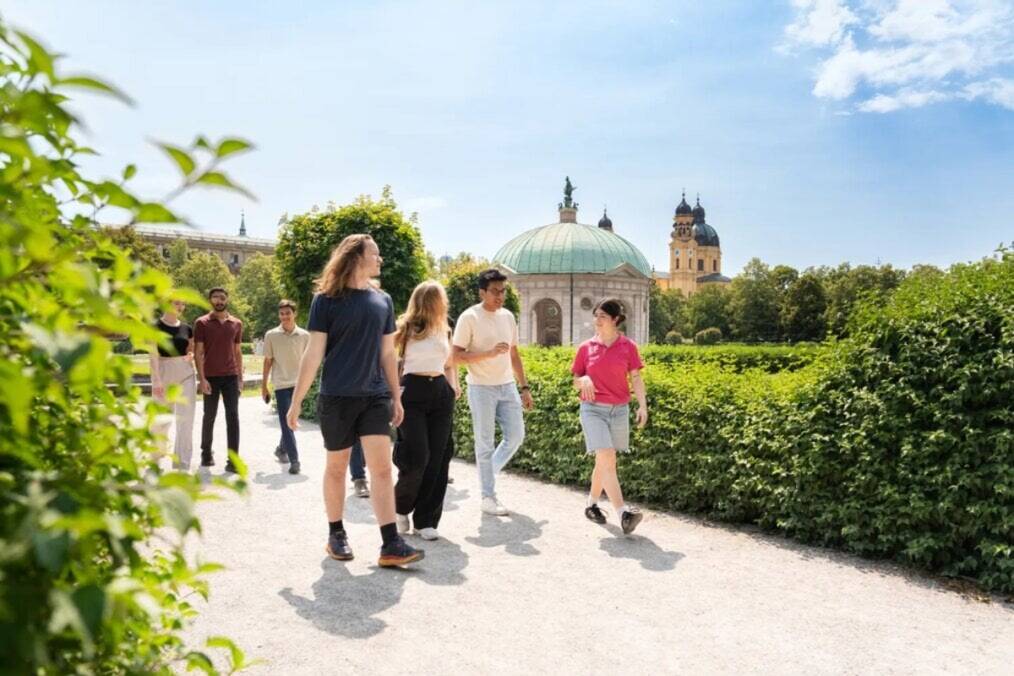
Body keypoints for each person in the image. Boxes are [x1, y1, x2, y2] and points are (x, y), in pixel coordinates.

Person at [287, 234, 423, 567]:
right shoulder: (327, 300)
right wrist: (295, 402)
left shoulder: (384, 300)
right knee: (336, 468)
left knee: (380, 467)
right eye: (375, 254)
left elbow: (388, 353)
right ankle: (336, 533)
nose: (380, 260)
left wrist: (396, 395)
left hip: (374, 396)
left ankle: (390, 542)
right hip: (337, 397)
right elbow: (313, 352)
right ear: (356, 257)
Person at [452, 269, 532, 516]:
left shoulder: (508, 317)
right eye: (495, 291)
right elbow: (455, 356)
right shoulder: (469, 317)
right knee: (484, 444)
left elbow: (514, 354)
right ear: (482, 292)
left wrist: (524, 387)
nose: (500, 296)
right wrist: (488, 354)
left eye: (503, 291)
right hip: (481, 387)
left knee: (516, 436)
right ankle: (488, 497)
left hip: (507, 386)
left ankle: (488, 473)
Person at [571, 299, 648, 535]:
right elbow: (575, 381)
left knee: (605, 463)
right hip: (593, 409)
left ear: (615, 320)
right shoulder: (586, 348)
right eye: (596, 315)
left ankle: (592, 505)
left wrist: (642, 406)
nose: (597, 320)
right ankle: (623, 513)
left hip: (620, 410)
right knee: (605, 456)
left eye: (602, 316)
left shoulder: (628, 347)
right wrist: (582, 380)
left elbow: (635, 378)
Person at [392, 280, 460, 540]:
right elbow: (386, 356)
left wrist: (453, 386)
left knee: (438, 458)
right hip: (413, 391)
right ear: (427, 301)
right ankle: (400, 507)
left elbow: (450, 363)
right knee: (418, 455)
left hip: (440, 392)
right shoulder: (406, 328)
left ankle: (425, 520)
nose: (443, 303)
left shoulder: (445, 329)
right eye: (439, 298)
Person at [195, 287, 244, 473]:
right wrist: (202, 378)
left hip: (231, 377)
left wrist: (240, 377)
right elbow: (198, 353)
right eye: (215, 297)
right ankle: (206, 453)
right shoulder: (202, 323)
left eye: (222, 298)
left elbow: (237, 352)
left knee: (233, 417)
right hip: (211, 377)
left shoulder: (236, 323)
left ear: (227, 300)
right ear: (210, 301)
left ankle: (233, 461)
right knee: (209, 416)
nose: (219, 301)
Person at [262, 299, 310, 475]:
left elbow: (309, 362)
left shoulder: (305, 336)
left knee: (291, 420)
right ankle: (295, 460)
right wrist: (264, 386)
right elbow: (267, 361)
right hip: (281, 384)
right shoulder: (271, 335)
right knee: (287, 422)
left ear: (294, 313)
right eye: (281, 313)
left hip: (300, 385)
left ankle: (282, 449)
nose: (284, 317)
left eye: (288, 313)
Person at [150, 299, 196, 471]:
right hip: (163, 371)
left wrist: (190, 355)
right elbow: (153, 355)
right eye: (177, 303)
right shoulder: (155, 326)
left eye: (183, 304)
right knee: (161, 420)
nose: (181, 307)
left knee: (186, 419)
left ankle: (183, 463)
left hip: (185, 372)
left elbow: (189, 349)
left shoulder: (187, 328)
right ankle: (156, 458)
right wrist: (156, 380)